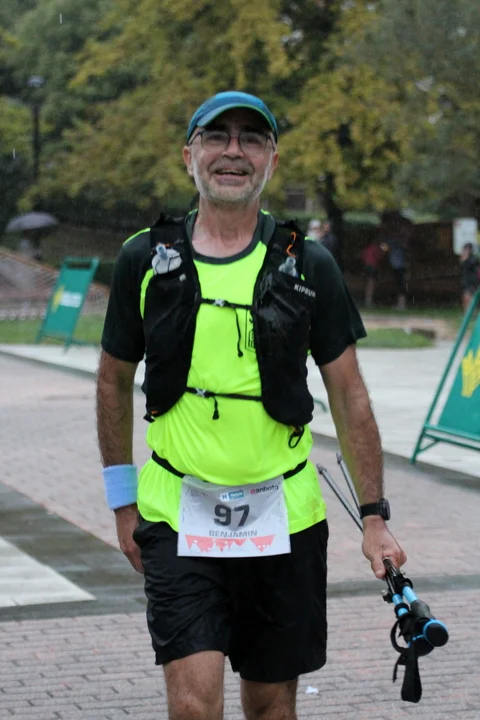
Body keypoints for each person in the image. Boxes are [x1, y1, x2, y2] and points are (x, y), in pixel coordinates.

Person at [97, 90, 406, 720]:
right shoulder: (144, 258)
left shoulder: (308, 263)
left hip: (284, 518)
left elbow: (349, 395)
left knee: (271, 706)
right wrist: (122, 503)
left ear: (272, 160)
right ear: (189, 155)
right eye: (216, 137)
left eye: (252, 139)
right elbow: (112, 382)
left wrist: (374, 518)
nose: (233, 152)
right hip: (177, 515)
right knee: (192, 704)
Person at [361, 240, 386, 308]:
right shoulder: (376, 248)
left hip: (367, 266)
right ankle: (368, 300)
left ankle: (367, 299)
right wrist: (383, 252)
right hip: (372, 266)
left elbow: (363, 255)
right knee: (371, 283)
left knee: (368, 283)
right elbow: (379, 257)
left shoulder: (368, 247)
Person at [459, 242, 480, 312]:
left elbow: (472, 265)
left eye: (466, 249)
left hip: (472, 283)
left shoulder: (473, 259)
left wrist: (465, 259)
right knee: (465, 298)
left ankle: (472, 313)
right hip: (467, 282)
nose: (464, 251)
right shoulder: (467, 259)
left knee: (470, 299)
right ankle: (467, 313)